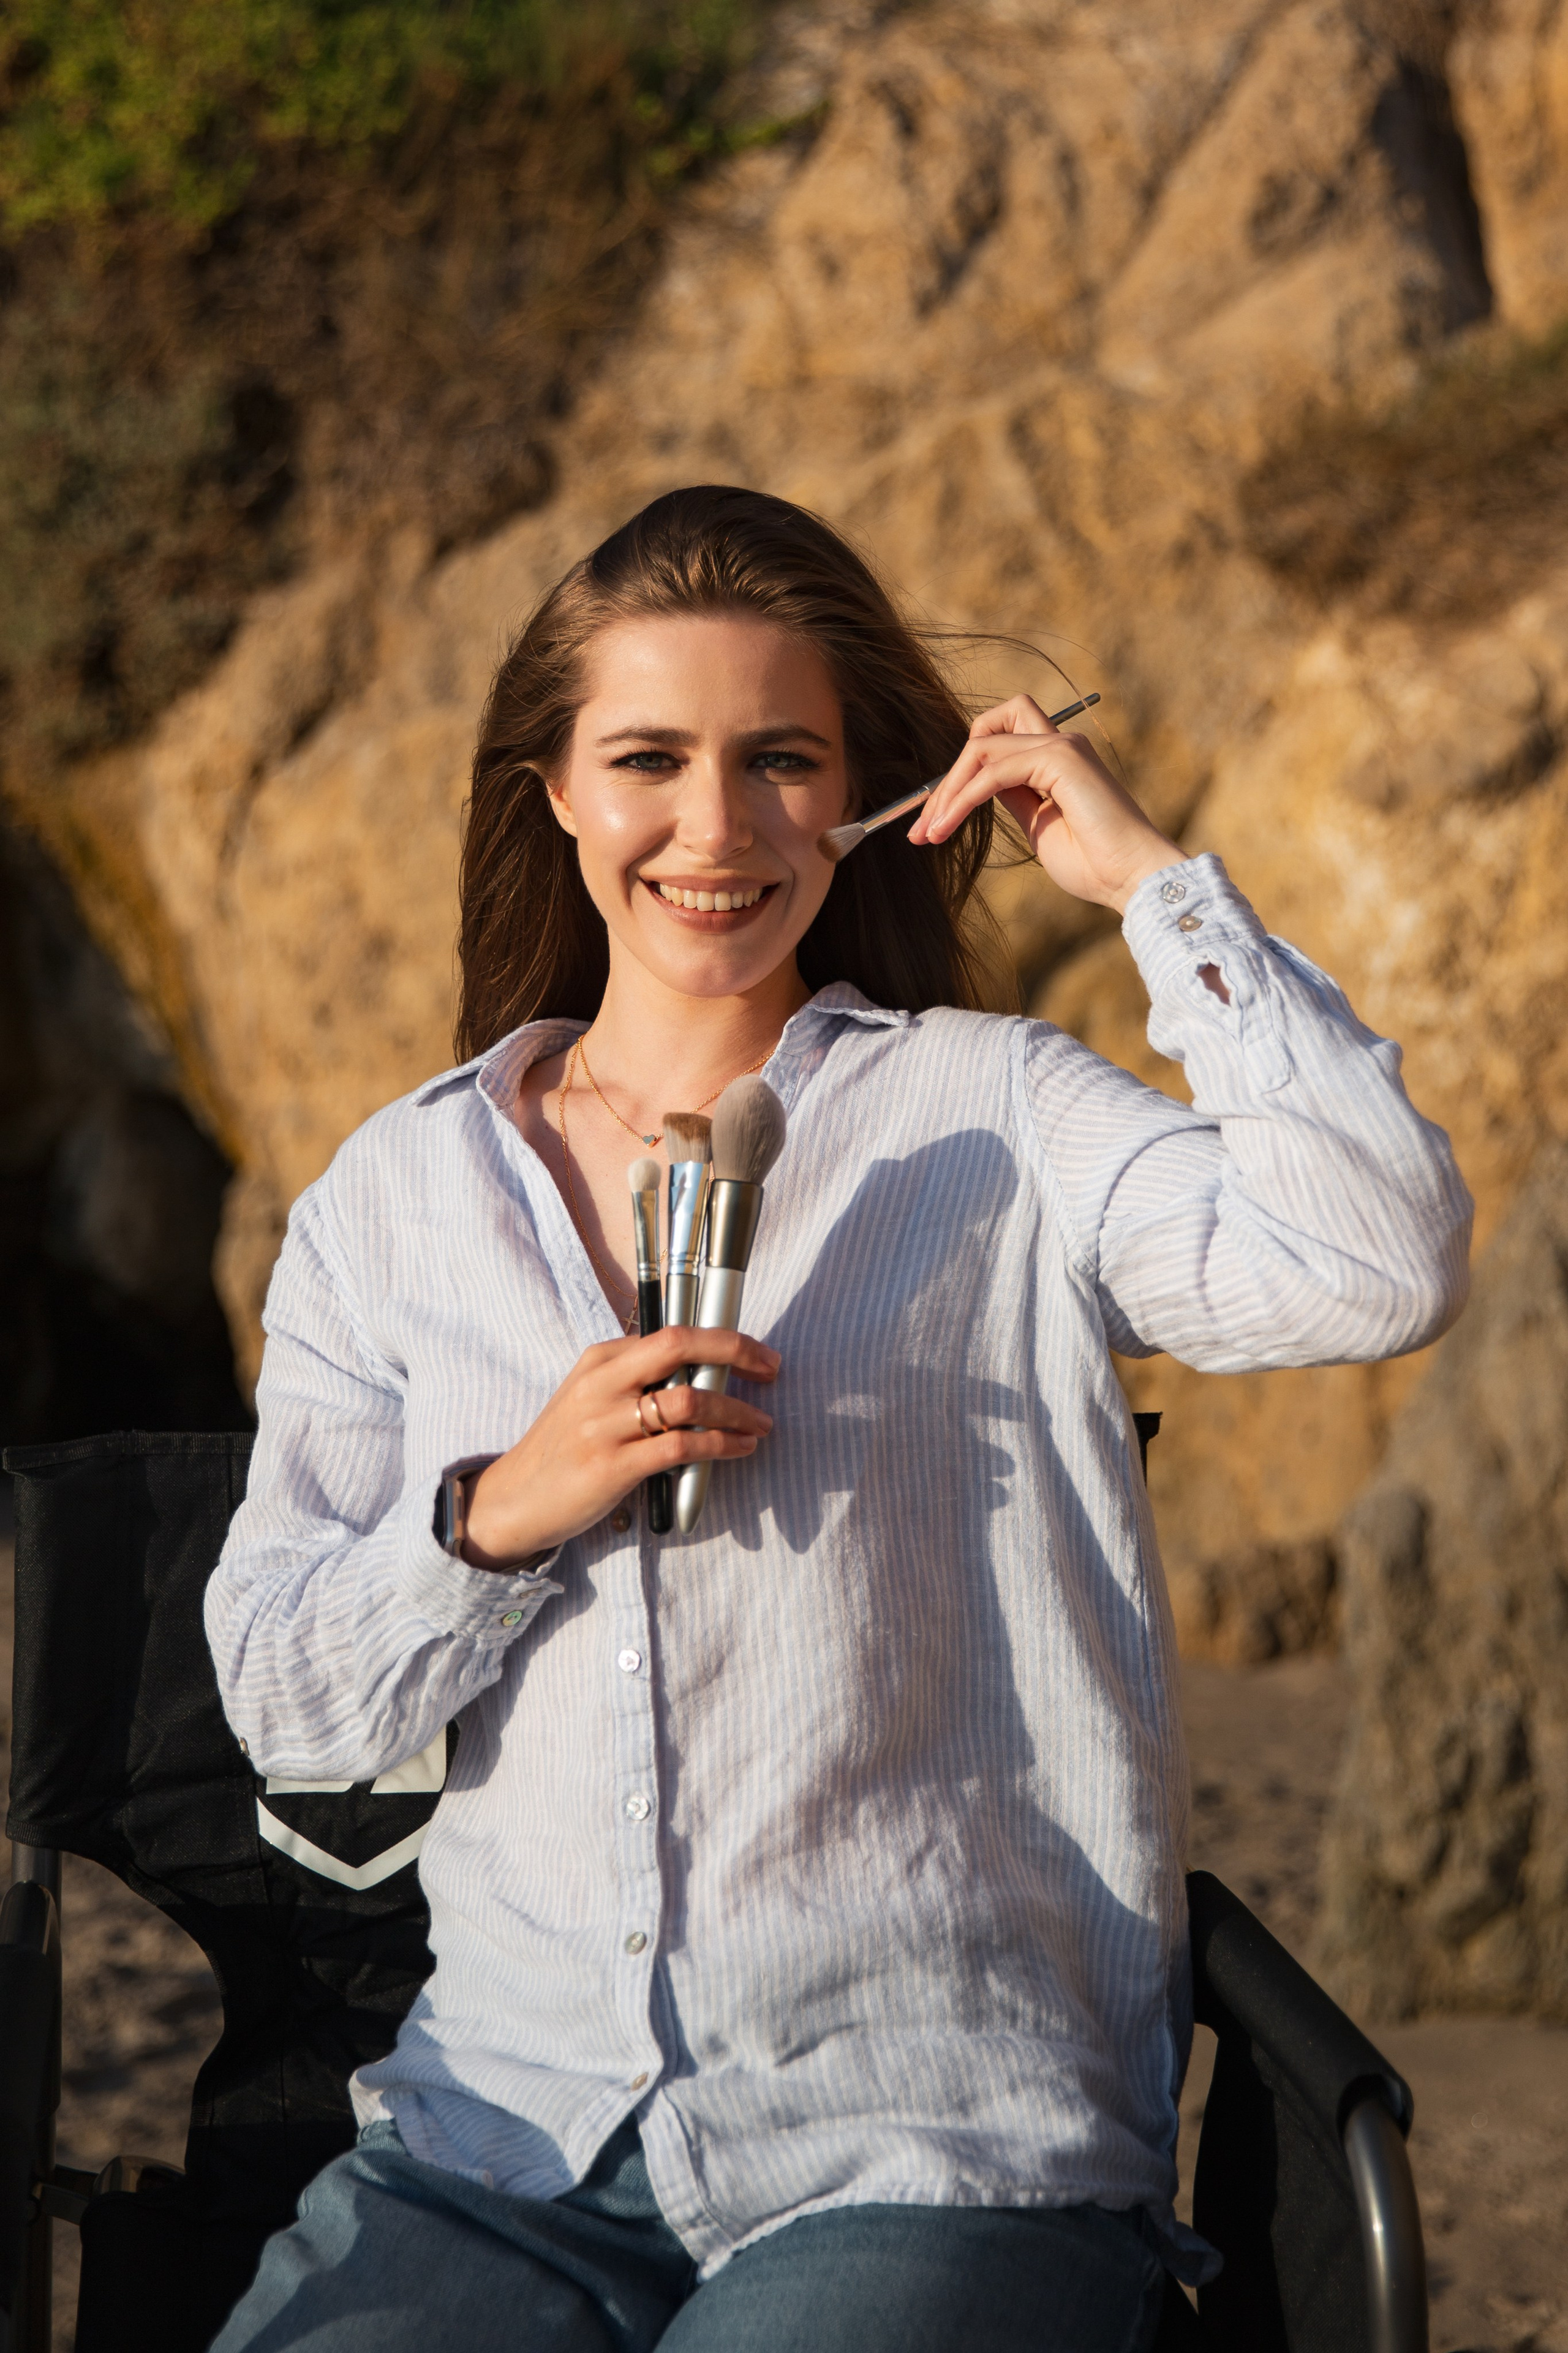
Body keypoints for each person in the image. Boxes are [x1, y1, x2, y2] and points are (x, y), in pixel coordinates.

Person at [206, 486, 1471, 2353]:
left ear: (862, 792)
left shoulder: (996, 1115)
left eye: (779, 760)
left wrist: (1151, 888)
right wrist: (492, 1513)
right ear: (553, 787)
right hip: (500, 2137)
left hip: (930, 2132)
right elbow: (284, 1700)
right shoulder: (392, 1203)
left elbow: (1379, 1260)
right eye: (649, 757)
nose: (715, 828)